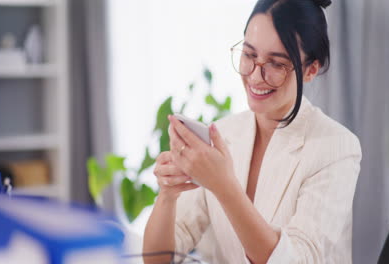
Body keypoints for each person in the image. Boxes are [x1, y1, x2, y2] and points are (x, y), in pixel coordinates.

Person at [143, 0, 362, 263]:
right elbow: (158, 260)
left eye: (276, 64)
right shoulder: (223, 134)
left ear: (310, 69)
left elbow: (299, 259)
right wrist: (168, 194)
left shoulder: (336, 148)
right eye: (249, 55)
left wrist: (225, 187)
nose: (256, 77)